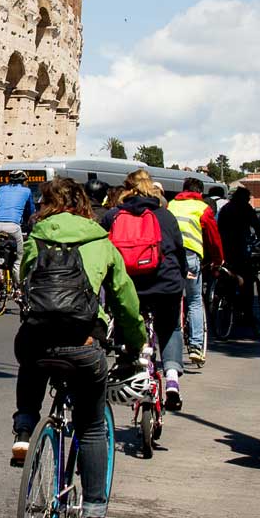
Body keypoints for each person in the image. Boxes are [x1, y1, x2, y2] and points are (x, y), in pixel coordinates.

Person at [13, 177, 143, 518]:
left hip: (38, 341)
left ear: (45, 204)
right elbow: (126, 302)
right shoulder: (102, 242)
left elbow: (26, 282)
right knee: (90, 428)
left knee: (31, 357)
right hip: (85, 345)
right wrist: (135, 346)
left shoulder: (36, 237)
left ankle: (24, 428)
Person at [99, 169, 187, 409]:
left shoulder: (113, 215)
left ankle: (128, 363)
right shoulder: (166, 216)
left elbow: (102, 250)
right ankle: (171, 378)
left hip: (131, 285)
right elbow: (179, 251)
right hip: (166, 284)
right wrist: (182, 276)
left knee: (124, 318)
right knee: (170, 328)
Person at [168, 177, 224, 366]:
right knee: (194, 300)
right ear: (199, 193)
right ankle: (196, 347)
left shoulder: (171, 205)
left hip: (171, 257)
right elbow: (213, 237)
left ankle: (171, 346)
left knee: (174, 300)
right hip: (192, 256)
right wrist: (217, 260)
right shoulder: (202, 208)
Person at [216, 186, 260, 338]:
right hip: (239, 249)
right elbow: (257, 227)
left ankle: (222, 301)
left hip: (224, 248)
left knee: (226, 274)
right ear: (245, 198)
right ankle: (246, 314)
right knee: (247, 280)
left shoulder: (226, 209)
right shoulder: (245, 208)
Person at [0, 173, 38, 261]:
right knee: (19, 257)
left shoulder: (1, 189)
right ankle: (17, 270)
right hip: (13, 227)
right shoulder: (27, 191)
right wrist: (29, 225)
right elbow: (30, 211)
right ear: (24, 181)